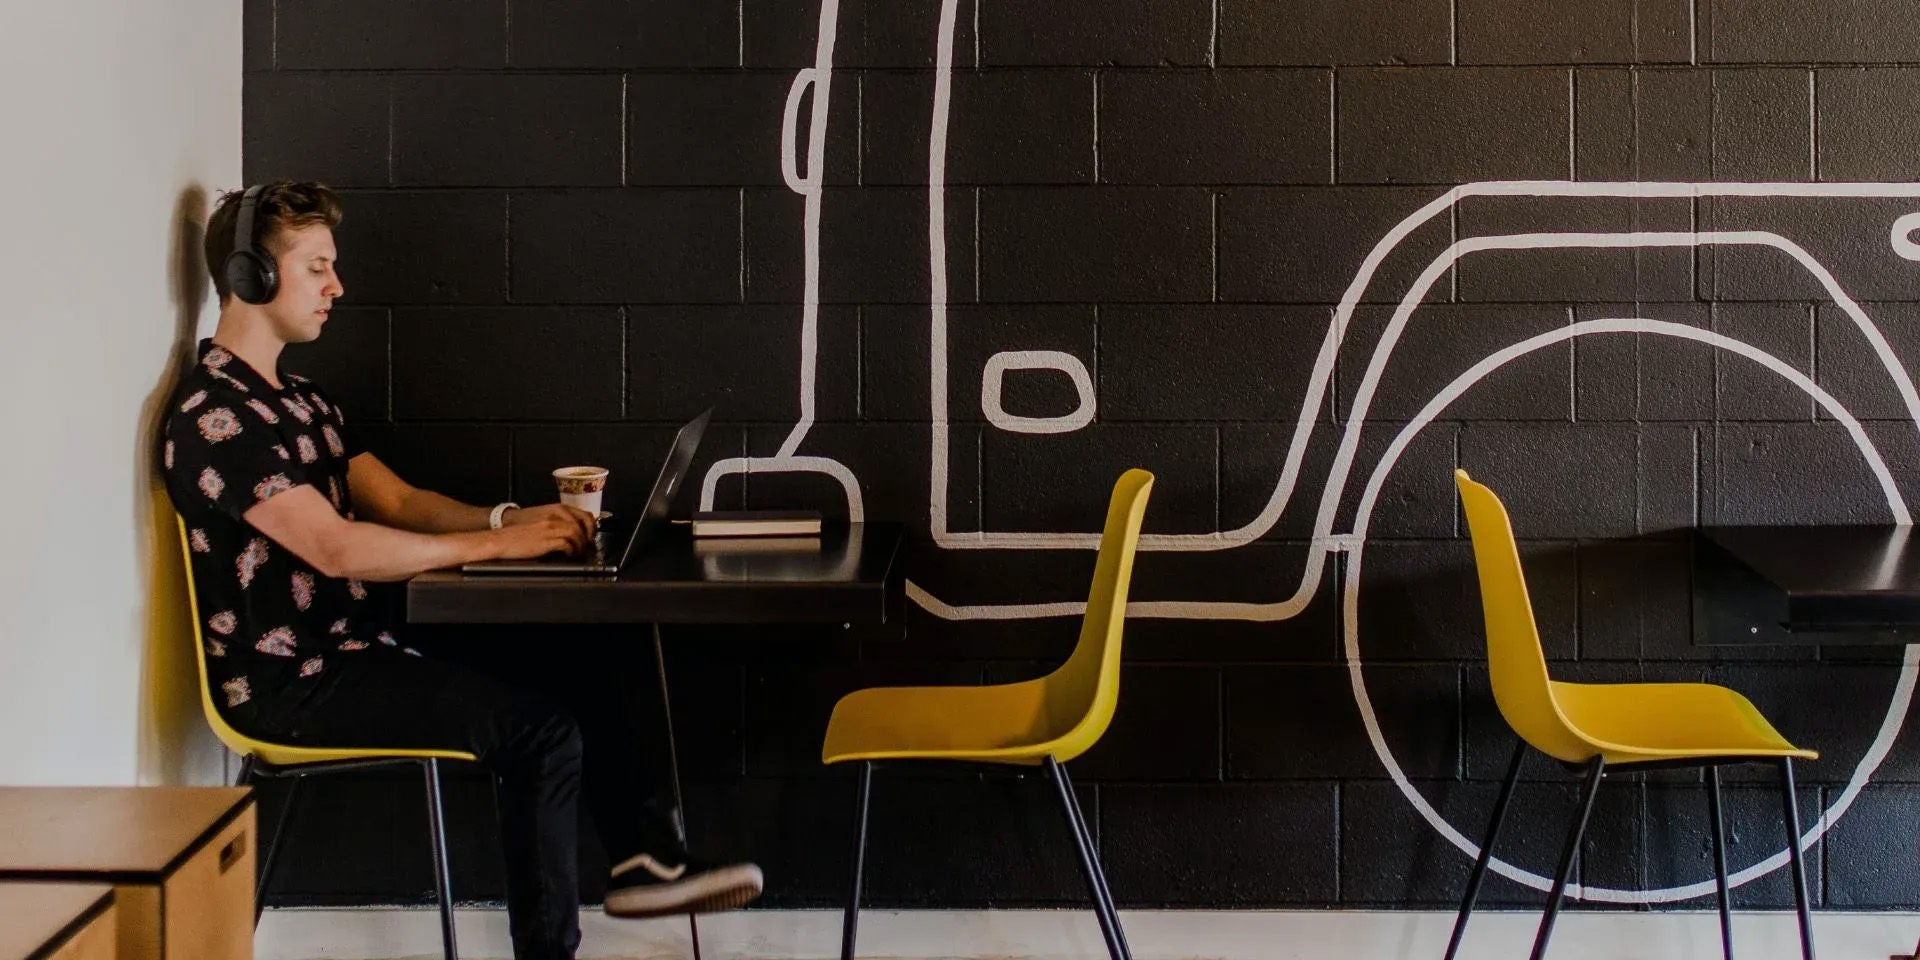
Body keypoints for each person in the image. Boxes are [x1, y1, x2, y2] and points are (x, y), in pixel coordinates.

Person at [161, 180, 761, 960]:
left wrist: (513, 522)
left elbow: (402, 502)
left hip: (358, 645)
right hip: (295, 683)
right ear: (251, 278)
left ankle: (643, 858)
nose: (337, 286)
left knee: (587, 645)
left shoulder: (304, 402)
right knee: (539, 734)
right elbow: (338, 548)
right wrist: (493, 549)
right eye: (318, 267)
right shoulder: (216, 418)